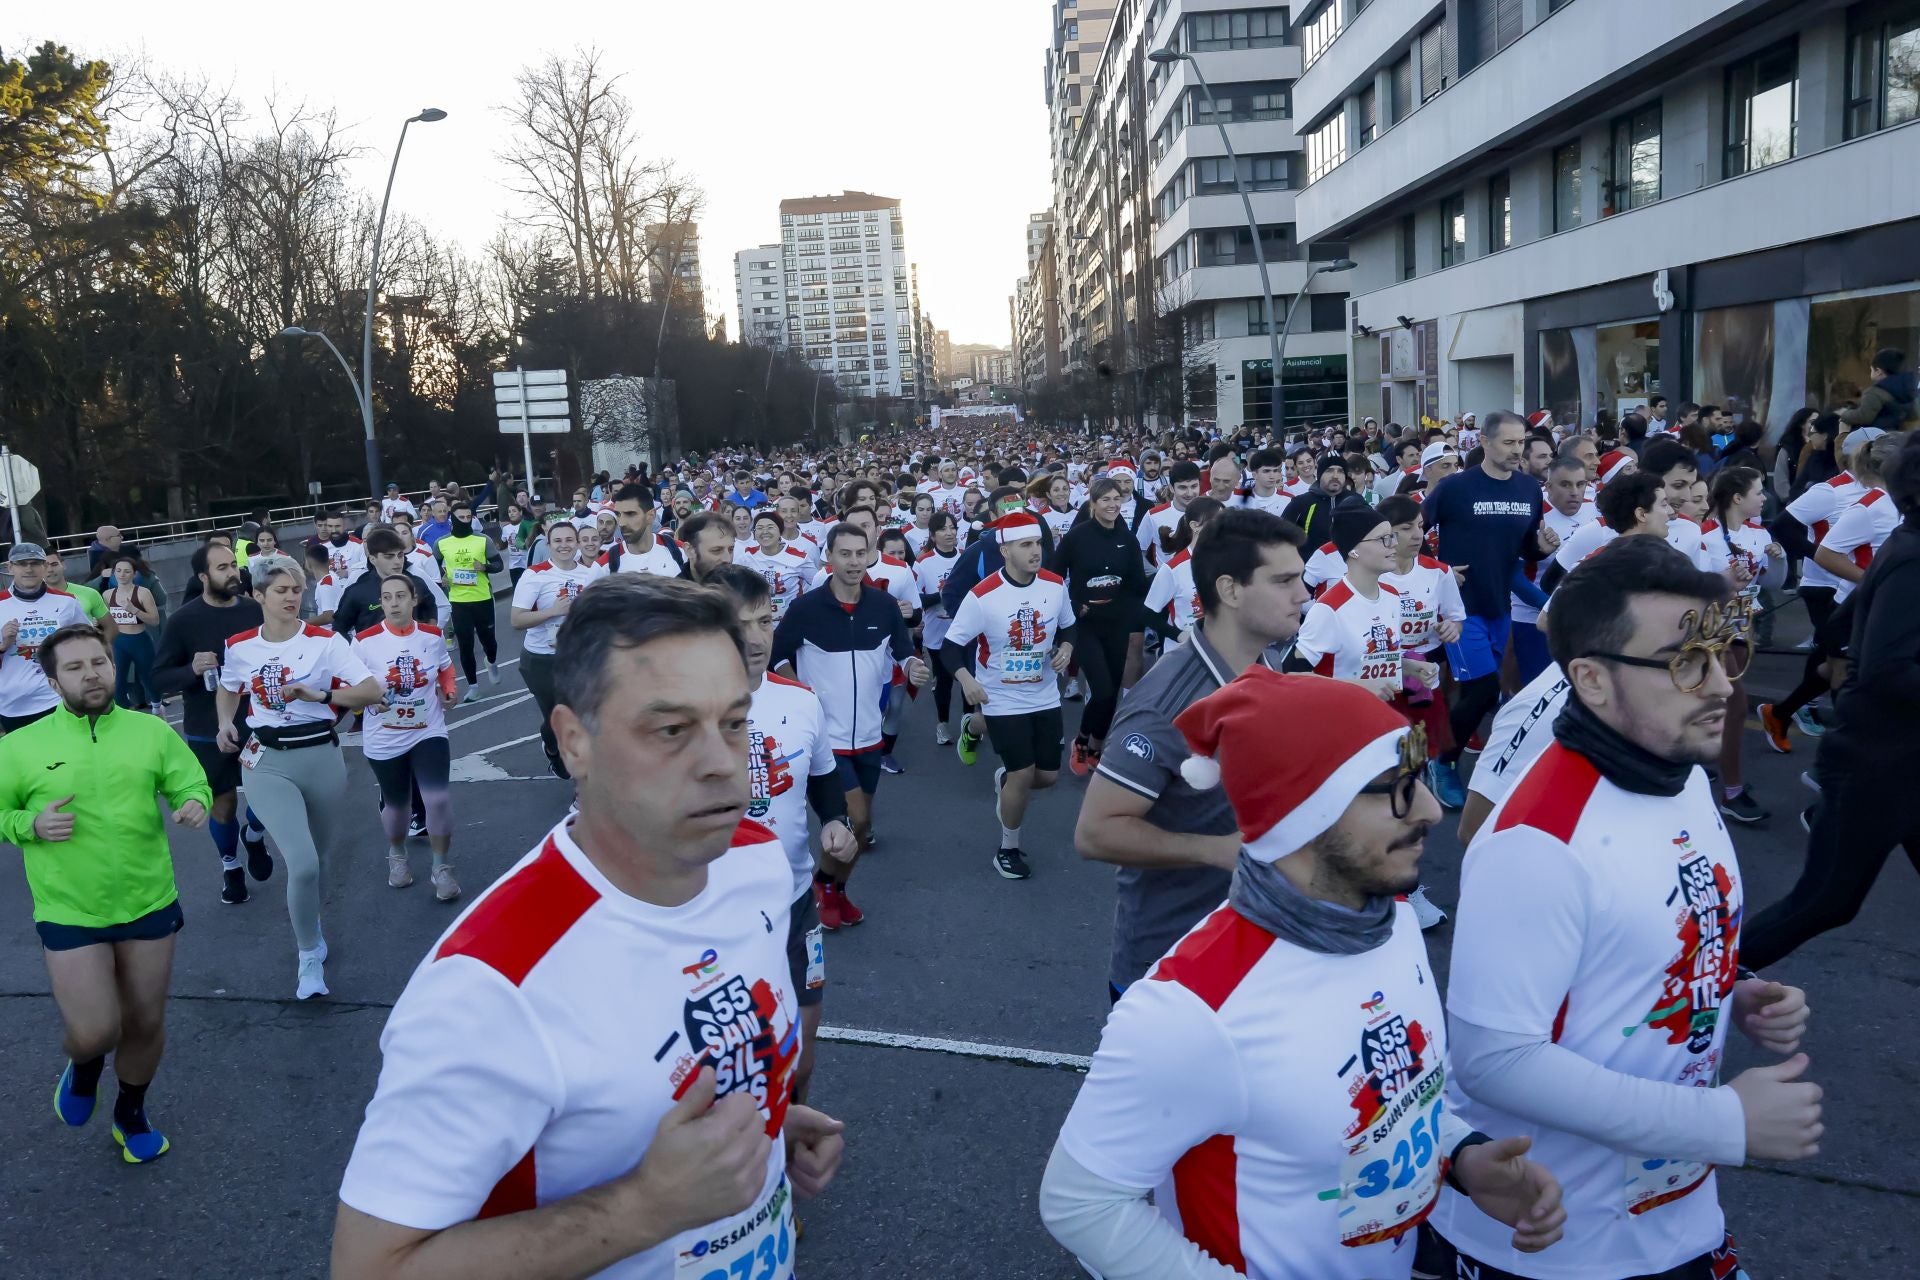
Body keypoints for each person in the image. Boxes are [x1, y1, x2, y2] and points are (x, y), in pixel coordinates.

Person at [331, 575, 845, 1280]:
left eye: (734, 721)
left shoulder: (753, 859)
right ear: (574, 740)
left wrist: (763, 1125)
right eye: (671, 730)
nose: (723, 765)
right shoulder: (492, 986)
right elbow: (371, 1270)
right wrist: (645, 1207)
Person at [1042, 671, 1566, 1279]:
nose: (1430, 810)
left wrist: (1461, 1157)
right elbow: (1080, 1203)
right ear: (1304, 813)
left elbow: (1381, 1097)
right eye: (1397, 788)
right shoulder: (1191, 1010)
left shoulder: (1391, 919)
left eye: (1420, 779)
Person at [1429, 536, 1822, 1279]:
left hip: (1676, 1215)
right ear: (1592, 681)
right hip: (1555, 1240)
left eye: (1722, 653)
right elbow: (1495, 1060)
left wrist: (1728, 988)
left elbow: (1630, 939)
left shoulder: (1681, 773)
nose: (1718, 685)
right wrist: (1719, 1121)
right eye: (1683, 661)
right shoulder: (1536, 842)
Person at [1074, 509, 1311, 1002]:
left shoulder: (1263, 658)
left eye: (1302, 578)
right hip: (1171, 966)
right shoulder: (1168, 703)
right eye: (1285, 581)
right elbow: (1095, 832)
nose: (1303, 595)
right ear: (1229, 590)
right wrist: (1215, 851)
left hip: (1256, 939)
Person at [0, 623, 210, 1164]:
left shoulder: (149, 732)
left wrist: (194, 802)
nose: (91, 674)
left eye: (99, 662)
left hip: (148, 899)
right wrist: (28, 823)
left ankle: (131, 1113)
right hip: (70, 908)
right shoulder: (20, 747)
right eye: (74, 667)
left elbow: (189, 781)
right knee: (95, 1030)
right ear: (52, 682)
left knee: (144, 1022)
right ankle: (85, 1064)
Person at [1744, 431, 1920, 966]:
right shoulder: (1912, 555)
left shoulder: (1906, 546)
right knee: (1825, 902)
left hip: (1903, 760)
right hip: (1877, 767)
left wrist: (1840, 656)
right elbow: (1890, 671)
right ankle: (1700, 988)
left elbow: (1846, 622)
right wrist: (1847, 664)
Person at [709, 564, 856, 1104]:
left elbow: (822, 778)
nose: (755, 638)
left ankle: (788, 1142)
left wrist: (837, 821)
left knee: (803, 1054)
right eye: (738, 624)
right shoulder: (683, 711)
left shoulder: (801, 700)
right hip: (715, 910)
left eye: (764, 621)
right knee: (730, 1062)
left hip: (795, 902)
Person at [216, 562, 383, 999]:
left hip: (321, 756)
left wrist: (322, 695)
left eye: (296, 590)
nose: (291, 598)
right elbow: (229, 686)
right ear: (259, 596)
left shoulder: (325, 643)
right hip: (267, 759)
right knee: (303, 862)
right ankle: (308, 955)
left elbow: (371, 691)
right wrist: (223, 723)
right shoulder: (239, 646)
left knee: (320, 863)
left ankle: (303, 911)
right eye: (281, 591)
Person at [772, 520, 930, 929]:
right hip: (827, 739)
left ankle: (836, 890)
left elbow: (902, 650)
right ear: (829, 558)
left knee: (862, 827)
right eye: (845, 554)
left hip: (870, 736)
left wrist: (912, 665)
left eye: (861, 553)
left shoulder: (883, 605)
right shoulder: (806, 608)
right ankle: (824, 884)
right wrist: (798, 689)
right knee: (853, 820)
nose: (854, 562)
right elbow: (777, 655)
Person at [941, 513, 1077, 880]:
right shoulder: (982, 596)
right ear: (1005, 551)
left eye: (1038, 544)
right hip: (1000, 697)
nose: (1037, 552)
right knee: (1023, 773)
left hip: (1045, 694)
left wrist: (1065, 646)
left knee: (1047, 777)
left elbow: (1069, 626)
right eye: (1026, 545)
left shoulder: (1054, 586)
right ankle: (1008, 848)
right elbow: (950, 649)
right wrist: (966, 679)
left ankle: (978, 734)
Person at [1422, 411, 1548, 805]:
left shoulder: (1529, 489)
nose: (1517, 450)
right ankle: (1443, 763)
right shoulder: (1455, 488)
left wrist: (1541, 548)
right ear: (1484, 442)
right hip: (1460, 608)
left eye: (1521, 443)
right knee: (1483, 688)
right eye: (1509, 443)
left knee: (1482, 691)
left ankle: (1445, 752)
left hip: (1500, 606)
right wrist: (1439, 570)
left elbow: (1526, 547)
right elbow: (1411, 531)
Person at [150, 542, 273, 903]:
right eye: (222, 568)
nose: (232, 573)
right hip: (207, 726)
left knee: (268, 796)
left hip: (258, 720)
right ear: (203, 576)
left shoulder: (254, 609)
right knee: (222, 805)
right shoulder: (184, 620)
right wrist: (191, 669)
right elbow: (157, 679)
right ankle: (231, 867)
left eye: (233, 565)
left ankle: (254, 835)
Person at [353, 575, 461, 900]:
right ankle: (397, 853)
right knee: (398, 807)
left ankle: (441, 868)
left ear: (414, 600)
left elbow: (444, 667)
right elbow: (348, 685)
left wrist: (450, 691)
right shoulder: (364, 641)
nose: (395, 602)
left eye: (401, 596)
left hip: (428, 729)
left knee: (437, 799)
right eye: (388, 597)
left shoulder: (431, 635)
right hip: (384, 737)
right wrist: (368, 697)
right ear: (382, 603)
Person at [1701, 466, 1786, 825]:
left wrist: (1778, 560)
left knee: (1712, 705)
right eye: (1758, 491)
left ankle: (1697, 766)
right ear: (1737, 498)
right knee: (1735, 705)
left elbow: (1774, 584)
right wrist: (1724, 583)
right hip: (1706, 631)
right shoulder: (1703, 534)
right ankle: (1731, 791)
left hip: (1739, 627)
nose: (1764, 497)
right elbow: (1695, 584)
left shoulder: (1758, 533)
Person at [1051, 477, 1152, 775]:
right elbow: (1055, 578)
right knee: (1103, 689)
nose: (1112, 505)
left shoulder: (1127, 539)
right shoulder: (1077, 537)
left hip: (1117, 624)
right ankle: (1081, 741)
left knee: (1112, 692)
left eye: (1116, 499)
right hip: (1085, 624)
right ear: (1093, 504)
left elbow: (1137, 585)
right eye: (1105, 500)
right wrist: (1072, 604)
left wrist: (1138, 614)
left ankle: (1096, 746)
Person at [511, 521, 602, 782]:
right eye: (558, 541)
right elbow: (517, 620)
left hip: (577, 657)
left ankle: (584, 779)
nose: (564, 545)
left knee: (581, 714)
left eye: (569, 540)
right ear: (548, 545)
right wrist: (553, 611)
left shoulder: (589, 574)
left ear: (577, 543)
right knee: (556, 718)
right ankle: (552, 747)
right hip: (541, 659)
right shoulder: (535, 574)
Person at [1, 543, 90, 732]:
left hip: (58, 698)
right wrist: (3, 645)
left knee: (69, 757)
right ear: (10, 568)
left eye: (35, 563)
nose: (29, 569)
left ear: (44, 566)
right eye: (22, 564)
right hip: (13, 704)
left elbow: (88, 644)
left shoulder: (67, 601)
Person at [437, 498, 505, 701]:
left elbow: (499, 565)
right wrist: (442, 578)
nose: (465, 521)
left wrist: (484, 567)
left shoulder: (483, 540)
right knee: (466, 645)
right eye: (461, 517)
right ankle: (473, 687)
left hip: (483, 598)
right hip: (458, 601)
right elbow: (434, 567)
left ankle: (491, 662)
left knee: (489, 642)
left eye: (468, 517)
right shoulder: (441, 544)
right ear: (452, 518)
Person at [330, 528, 439, 639]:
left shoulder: (417, 583)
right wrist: (357, 650)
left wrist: (430, 636)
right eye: (389, 556)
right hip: (373, 654)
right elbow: (339, 629)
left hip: (415, 653)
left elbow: (431, 609)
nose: (397, 561)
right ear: (372, 559)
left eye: (400, 555)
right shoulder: (357, 591)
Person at [1143, 497, 1225, 638]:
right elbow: (1148, 614)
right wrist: (1178, 635)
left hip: (1222, 648)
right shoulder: (1173, 569)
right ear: (1195, 526)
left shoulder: (1231, 561)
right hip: (1185, 652)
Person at [102, 553, 163, 713]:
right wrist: (98, 622)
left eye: (127, 571)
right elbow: (106, 620)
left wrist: (134, 610)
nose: (122, 574)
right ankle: (123, 713)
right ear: (114, 572)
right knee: (117, 680)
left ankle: (157, 707)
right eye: (119, 570)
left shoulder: (142, 593)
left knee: (148, 677)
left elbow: (154, 620)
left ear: (134, 574)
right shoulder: (108, 595)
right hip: (119, 642)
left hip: (140, 640)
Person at [736, 509, 810, 620]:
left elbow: (817, 583)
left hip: (792, 622)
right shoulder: (746, 557)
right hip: (758, 624)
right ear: (754, 533)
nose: (765, 531)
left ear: (780, 531)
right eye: (759, 528)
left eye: (770, 527)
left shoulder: (799, 557)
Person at [607, 482, 690, 577]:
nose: (621, 523)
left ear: (651, 515)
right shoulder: (606, 564)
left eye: (630, 514)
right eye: (618, 515)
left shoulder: (682, 551)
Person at [1837, 346, 1918, 434]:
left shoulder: (1875, 392)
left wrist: (1844, 413)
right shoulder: (1911, 390)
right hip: (1904, 436)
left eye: (1871, 369)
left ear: (1878, 372)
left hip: (1876, 436)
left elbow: (1864, 416)